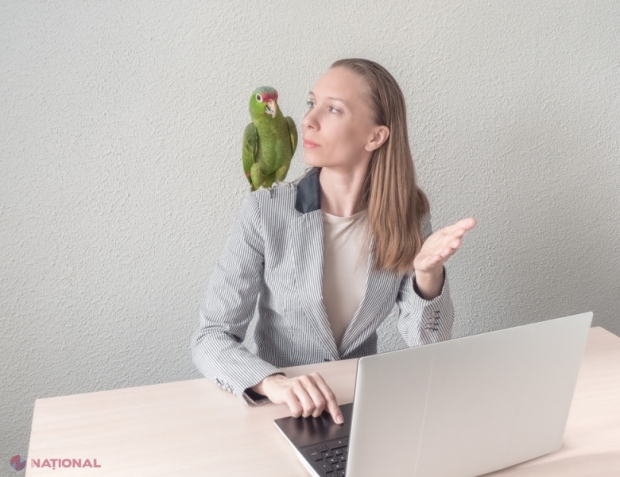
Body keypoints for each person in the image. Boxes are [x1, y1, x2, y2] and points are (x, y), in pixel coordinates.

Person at [191, 58, 476, 425]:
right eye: (312, 103)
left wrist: (428, 274)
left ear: (375, 137)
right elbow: (211, 336)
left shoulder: (408, 216)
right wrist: (273, 383)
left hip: (362, 411)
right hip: (282, 412)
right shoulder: (266, 211)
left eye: (334, 109)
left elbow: (430, 347)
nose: (308, 120)